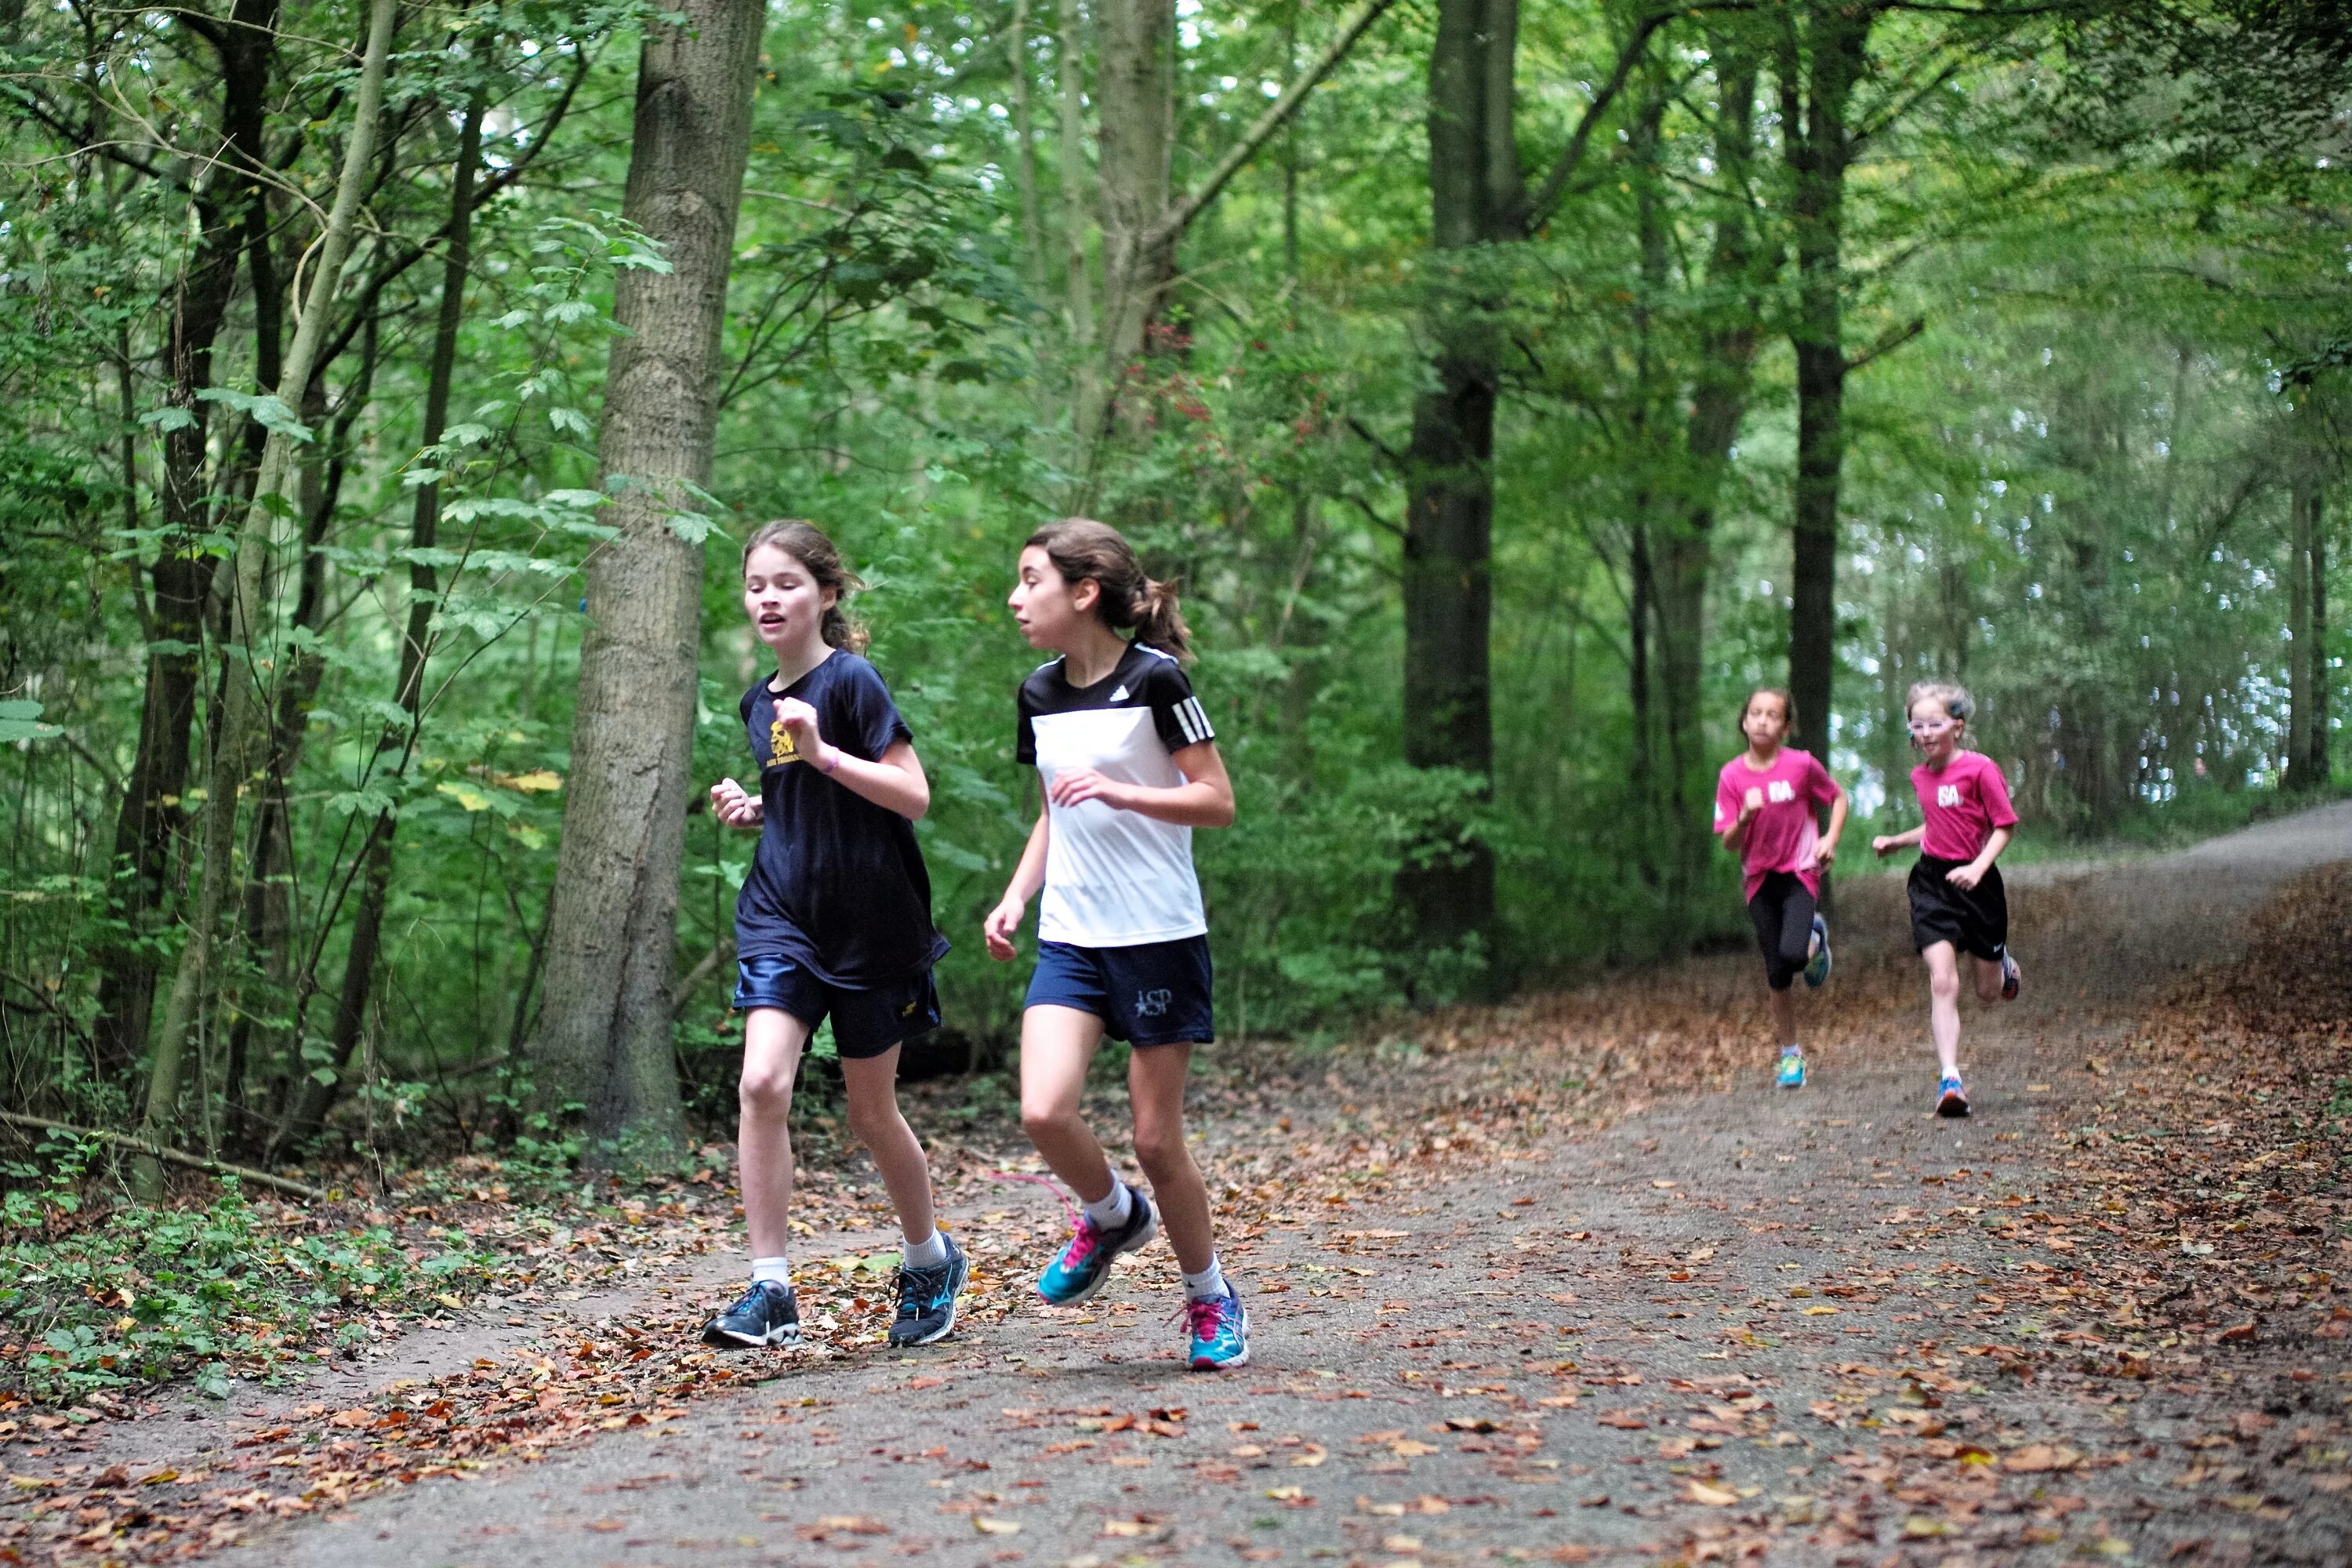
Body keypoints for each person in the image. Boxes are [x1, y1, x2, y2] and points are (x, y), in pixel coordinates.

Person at [982, 518, 1250, 1371]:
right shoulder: (1037, 693)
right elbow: (1055, 810)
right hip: (1071, 932)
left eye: (1031, 580)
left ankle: (1210, 1295)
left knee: (1158, 1141)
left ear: (1083, 590)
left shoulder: (1156, 680)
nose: (1017, 598)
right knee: (1041, 1109)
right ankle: (1109, 1214)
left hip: (1158, 933)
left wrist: (1130, 795)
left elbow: (1216, 800)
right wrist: (1016, 895)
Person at [702, 521, 966, 1350]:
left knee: (869, 1109)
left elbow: (912, 795)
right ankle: (770, 1286)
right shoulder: (759, 704)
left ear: (826, 593)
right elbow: (802, 808)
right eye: (756, 585)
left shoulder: (850, 682)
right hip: (783, 915)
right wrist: (760, 808)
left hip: (875, 926)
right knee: (762, 1085)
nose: (768, 598)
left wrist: (822, 755)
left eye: (786, 582)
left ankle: (928, 1258)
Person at [1871, 680, 2023, 1118]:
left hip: (1979, 884)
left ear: (1956, 727)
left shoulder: (1980, 770)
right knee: (1942, 980)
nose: (1925, 732)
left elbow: (2004, 826)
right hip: (1932, 884)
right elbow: (1936, 826)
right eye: (1917, 725)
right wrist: (1898, 843)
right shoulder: (1921, 777)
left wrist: (1977, 868)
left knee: (1988, 991)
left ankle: (2004, 966)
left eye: (1935, 723)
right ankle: (1950, 1078)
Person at [1714, 688, 1848, 1090]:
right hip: (1759, 880)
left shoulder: (1801, 766)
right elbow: (1728, 842)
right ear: (1744, 721)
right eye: (1756, 713)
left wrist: (1831, 839)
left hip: (1800, 871)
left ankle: (1813, 938)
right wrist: (1745, 816)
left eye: (1773, 715)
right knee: (1777, 971)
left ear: (1786, 727)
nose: (1762, 721)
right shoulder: (1731, 776)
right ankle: (1790, 1054)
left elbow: (1838, 797)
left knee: (1791, 954)